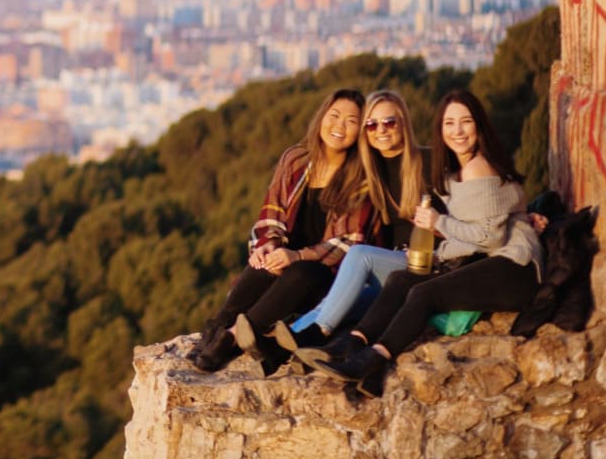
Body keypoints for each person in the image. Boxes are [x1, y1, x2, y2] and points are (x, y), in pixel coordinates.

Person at [306, 89, 546, 387]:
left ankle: (372, 360)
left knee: (423, 294)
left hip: (514, 268)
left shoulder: (477, 167)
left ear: (479, 125)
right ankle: (354, 346)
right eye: (449, 124)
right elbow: (501, 206)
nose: (457, 131)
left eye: (466, 122)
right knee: (400, 281)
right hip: (489, 260)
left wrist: (438, 222)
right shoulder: (458, 170)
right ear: (440, 130)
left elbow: (490, 238)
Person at [188, 89, 375, 374]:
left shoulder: (360, 178)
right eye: (334, 116)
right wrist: (270, 243)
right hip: (284, 261)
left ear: (360, 131)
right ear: (322, 116)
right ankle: (217, 328)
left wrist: (296, 256)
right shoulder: (296, 160)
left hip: (327, 274)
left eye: (351, 121)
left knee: (301, 271)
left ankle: (232, 340)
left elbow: (350, 241)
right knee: (264, 261)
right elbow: (271, 210)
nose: (339, 126)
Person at [271, 90, 428, 356]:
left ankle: (318, 332)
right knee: (338, 301)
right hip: (392, 271)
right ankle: (281, 350)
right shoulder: (371, 171)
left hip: (425, 263)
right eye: (371, 125)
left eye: (389, 122)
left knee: (359, 255)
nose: (381, 130)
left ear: (404, 123)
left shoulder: (428, 161)